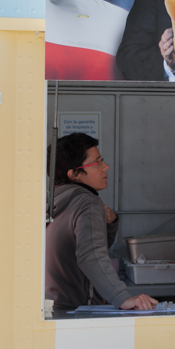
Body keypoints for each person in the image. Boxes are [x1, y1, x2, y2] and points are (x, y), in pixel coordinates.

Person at [45, 133, 157, 311]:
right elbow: (91, 255)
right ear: (74, 174)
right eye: (97, 162)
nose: (106, 167)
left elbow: (79, 248)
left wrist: (108, 226)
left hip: (52, 308)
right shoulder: (87, 202)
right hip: (78, 313)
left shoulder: (51, 201)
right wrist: (122, 298)